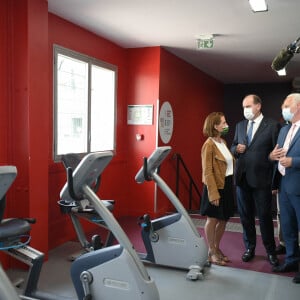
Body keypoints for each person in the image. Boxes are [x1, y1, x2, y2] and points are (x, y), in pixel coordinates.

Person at [230, 94, 280, 267]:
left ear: (258, 106)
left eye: (248, 106)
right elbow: (233, 146)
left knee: (265, 217)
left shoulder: (273, 126)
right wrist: (236, 148)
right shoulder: (240, 125)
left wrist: (275, 181)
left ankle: (270, 251)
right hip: (242, 179)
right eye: (244, 107)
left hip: (262, 180)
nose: (245, 110)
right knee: (245, 216)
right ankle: (249, 247)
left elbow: (277, 154)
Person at [269, 93, 300, 282]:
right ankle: (291, 260)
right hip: (284, 186)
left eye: (287, 104)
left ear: (298, 107)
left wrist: (294, 161)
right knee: (288, 227)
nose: (283, 108)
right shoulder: (284, 130)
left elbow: (291, 160)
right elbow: (274, 156)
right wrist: (272, 156)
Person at [200, 112, 235, 266]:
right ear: (215, 126)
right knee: (212, 219)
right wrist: (213, 192)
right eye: (223, 122)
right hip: (214, 186)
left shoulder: (223, 142)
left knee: (223, 219)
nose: (226, 125)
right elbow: (207, 171)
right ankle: (212, 250)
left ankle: (216, 248)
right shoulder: (208, 145)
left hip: (226, 184)